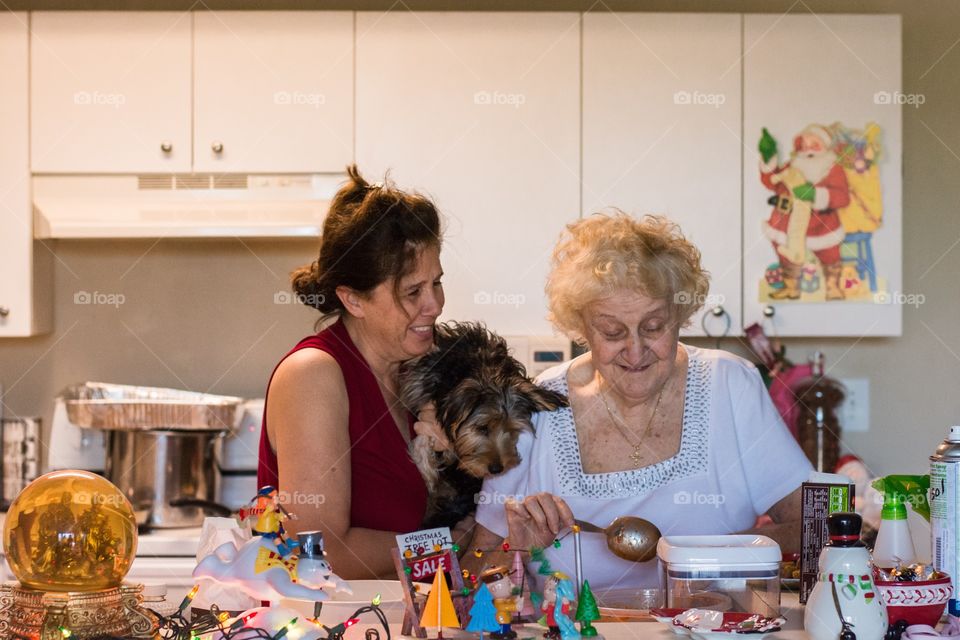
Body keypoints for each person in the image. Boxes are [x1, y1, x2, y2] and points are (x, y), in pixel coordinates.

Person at [466, 212, 813, 591]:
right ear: (582, 327)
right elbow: (472, 569)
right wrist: (514, 547)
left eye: (653, 327)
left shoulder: (730, 385)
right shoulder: (535, 406)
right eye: (612, 331)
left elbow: (815, 528)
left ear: (680, 315)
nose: (635, 351)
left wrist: (711, 556)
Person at [257, 165, 445, 579]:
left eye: (436, 283)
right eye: (413, 291)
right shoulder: (313, 375)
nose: (434, 305)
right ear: (353, 300)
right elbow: (319, 551)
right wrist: (450, 547)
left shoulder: (419, 372)